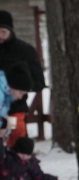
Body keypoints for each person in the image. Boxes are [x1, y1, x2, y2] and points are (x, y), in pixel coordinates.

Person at [0, 10, 46, 147]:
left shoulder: (25, 50)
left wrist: (20, 87)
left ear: (11, 31)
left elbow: (39, 82)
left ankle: (17, 166)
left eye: (3, 32)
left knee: (17, 143)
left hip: (16, 108)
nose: (0, 36)